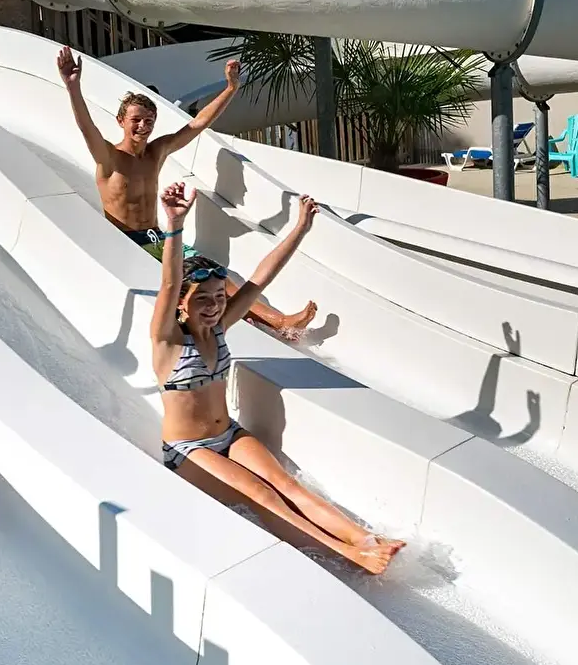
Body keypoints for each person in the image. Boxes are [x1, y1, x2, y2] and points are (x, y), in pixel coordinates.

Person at [152, 183, 403, 574]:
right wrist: (174, 224)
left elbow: (259, 280)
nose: (214, 306)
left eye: (219, 297)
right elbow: (169, 283)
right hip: (189, 450)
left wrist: (301, 228)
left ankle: (366, 540)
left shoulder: (220, 328)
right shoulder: (167, 341)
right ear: (181, 304)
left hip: (229, 434)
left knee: (286, 484)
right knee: (260, 493)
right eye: (202, 298)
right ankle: (350, 555)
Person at [56, 45, 318, 338]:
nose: (143, 126)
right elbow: (86, 127)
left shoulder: (156, 152)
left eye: (148, 120)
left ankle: (276, 321)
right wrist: (73, 87)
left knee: (215, 273)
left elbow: (197, 124)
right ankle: (272, 322)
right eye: (136, 120)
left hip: (159, 238)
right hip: (130, 243)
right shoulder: (109, 157)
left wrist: (231, 88)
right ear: (121, 121)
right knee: (198, 280)